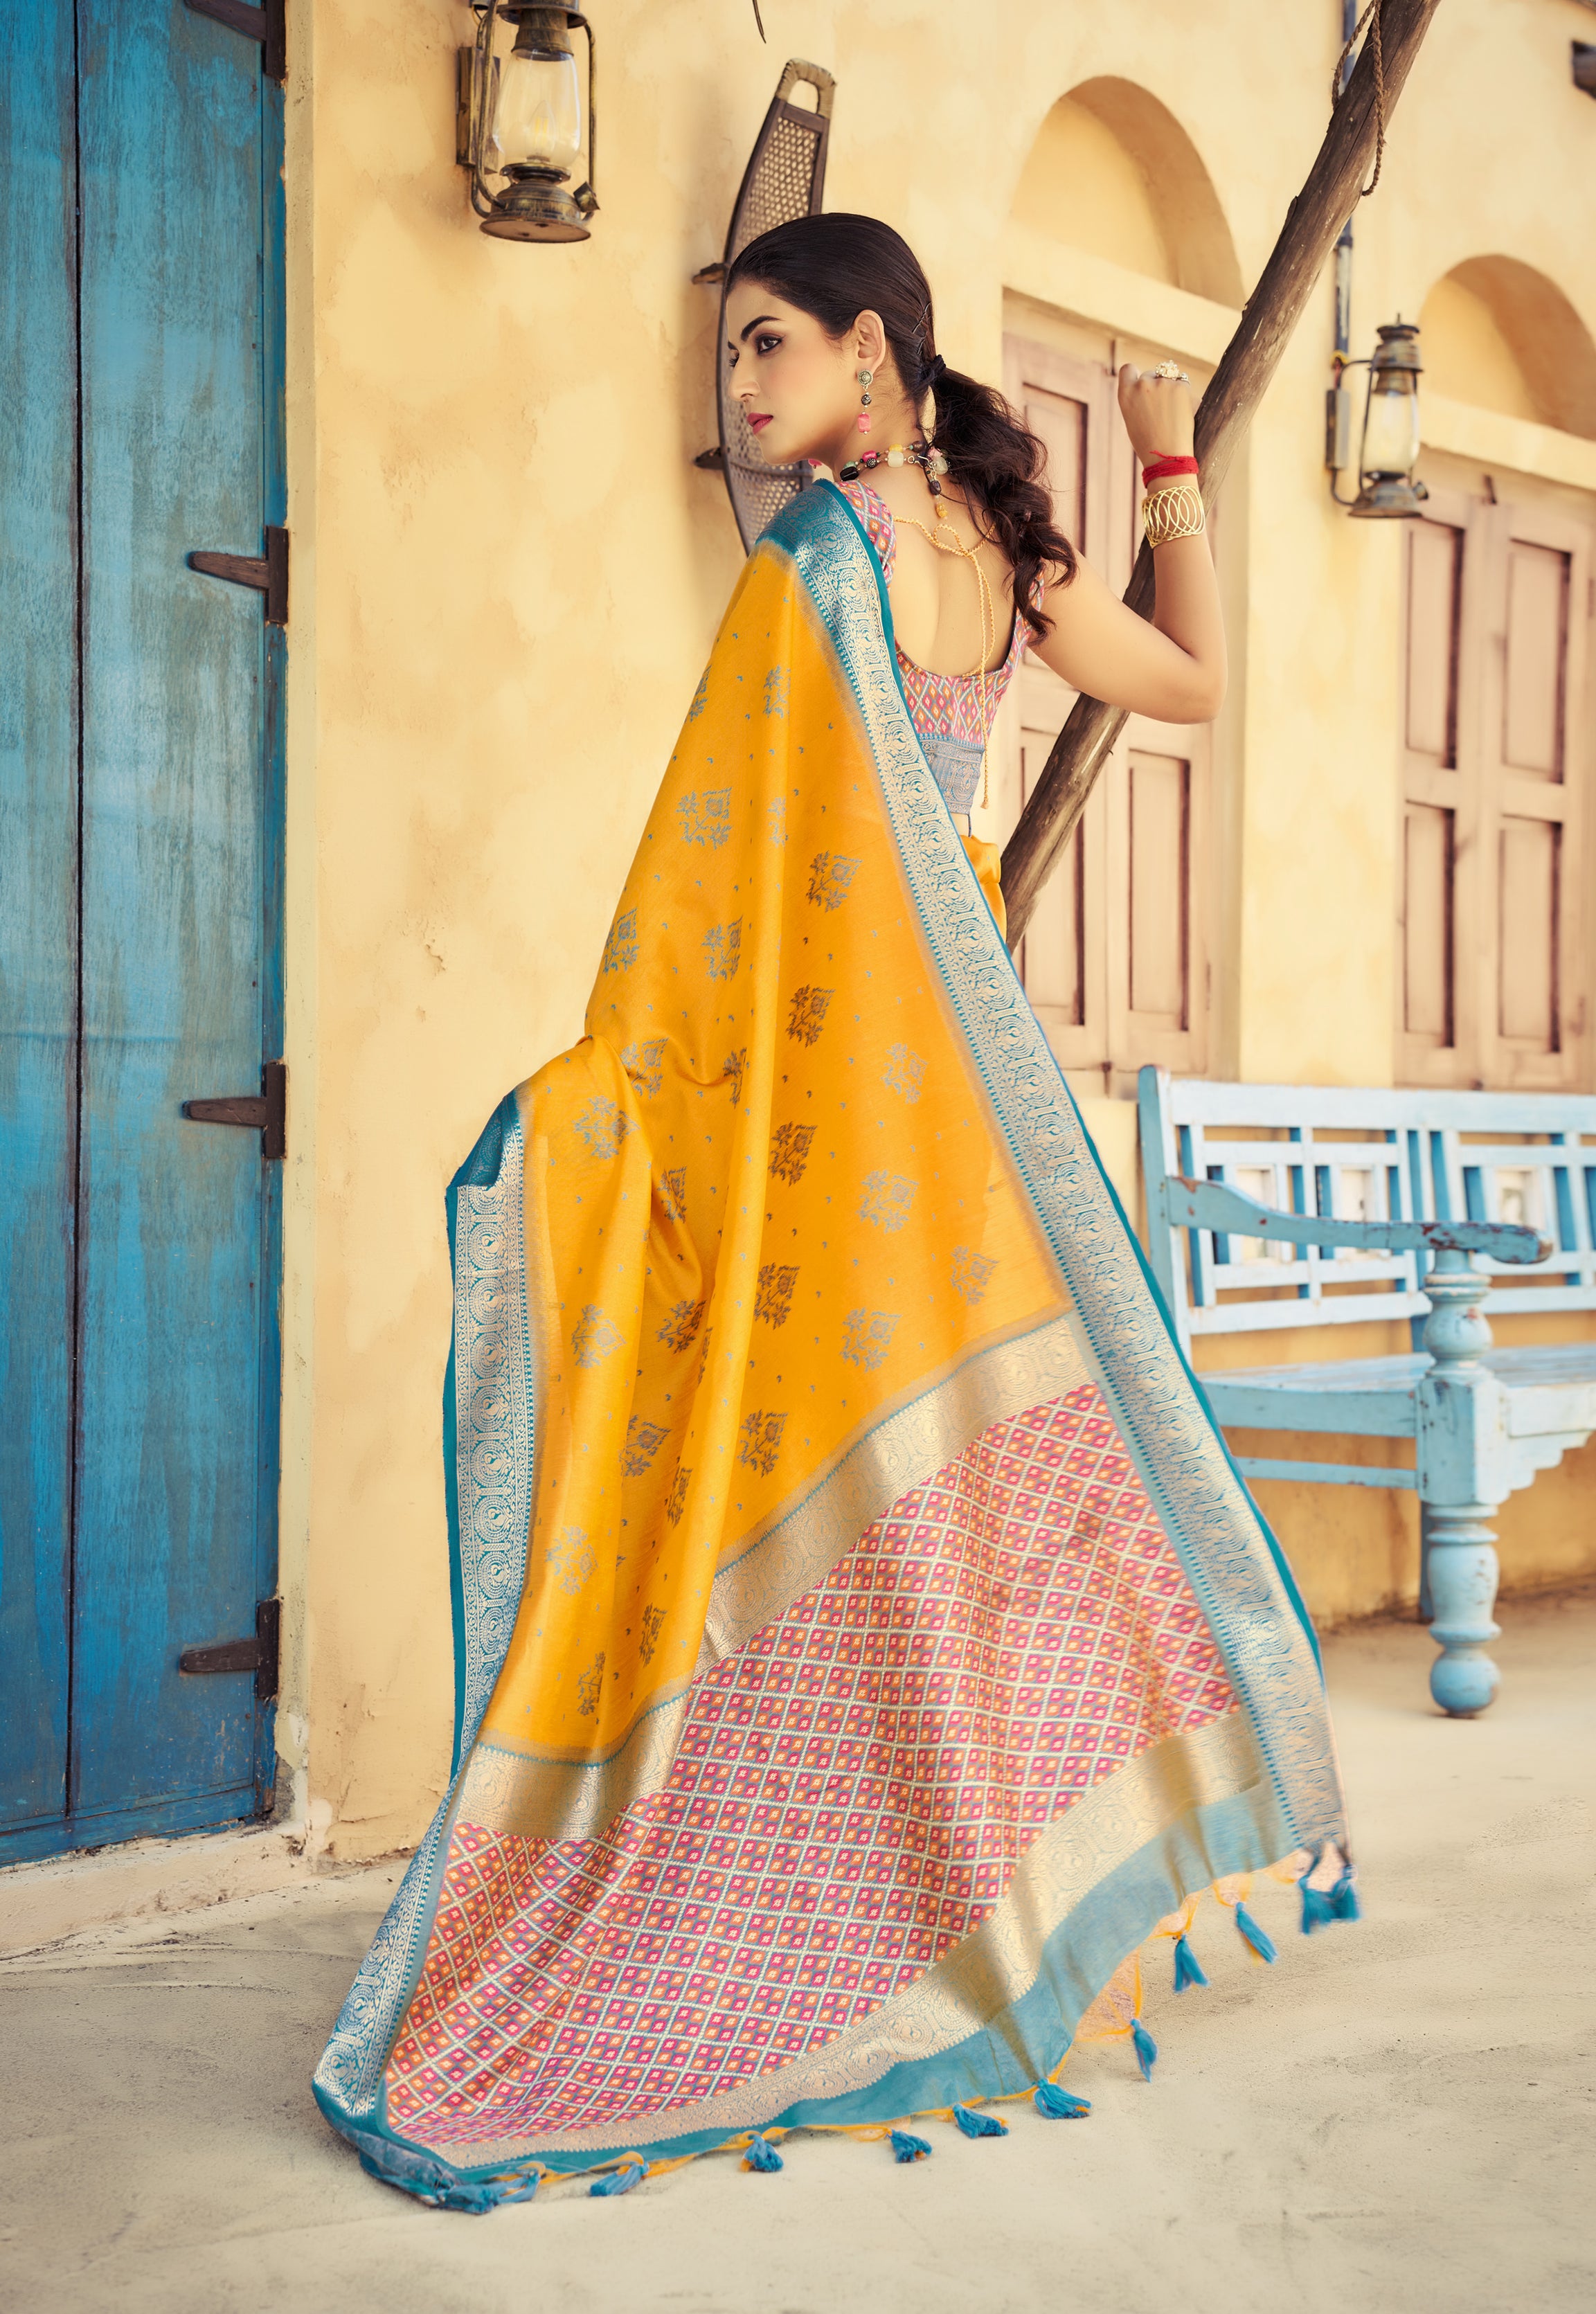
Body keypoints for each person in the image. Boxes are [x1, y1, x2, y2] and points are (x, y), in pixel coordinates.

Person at [315, 215, 1352, 2212]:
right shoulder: (999, 550)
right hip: (966, 1096)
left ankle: (806, 1891)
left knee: (762, 1460)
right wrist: (1167, 461)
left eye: (772, 350)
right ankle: (958, 1882)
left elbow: (706, 886)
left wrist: (613, 1091)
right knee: (943, 1474)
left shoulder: (822, 563)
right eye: (736, 363)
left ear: (876, 354)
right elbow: (1197, 678)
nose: (746, 396)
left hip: (827, 1105)